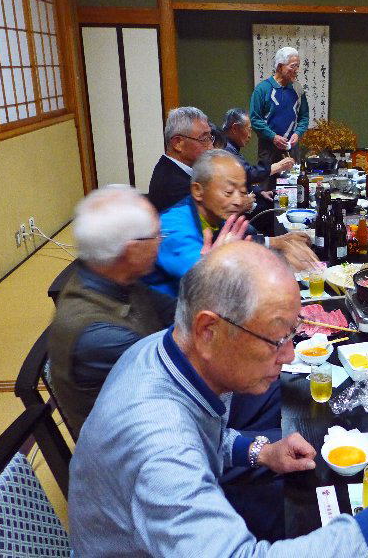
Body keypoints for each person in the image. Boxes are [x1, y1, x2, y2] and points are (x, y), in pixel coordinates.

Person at [69, 241, 368, 557]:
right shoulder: (159, 445)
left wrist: (259, 451)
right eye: (277, 339)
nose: (288, 355)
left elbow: (202, 435)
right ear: (209, 331)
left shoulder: (165, 350)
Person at [47, 185, 247, 440]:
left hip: (166, 406)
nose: (161, 241)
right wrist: (217, 275)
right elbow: (188, 370)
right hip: (148, 445)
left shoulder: (113, 278)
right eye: (156, 235)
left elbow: (180, 316)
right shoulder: (101, 336)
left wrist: (208, 274)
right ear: (131, 249)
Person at [145, 149, 318, 297]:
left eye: (242, 192)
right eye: (228, 192)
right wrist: (276, 263)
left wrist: (279, 242)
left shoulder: (212, 214)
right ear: (198, 190)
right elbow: (211, 281)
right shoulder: (174, 228)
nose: (238, 201)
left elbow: (237, 243)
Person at [250, 47, 309, 189]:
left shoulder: (298, 89)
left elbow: (304, 117)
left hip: (291, 148)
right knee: (267, 189)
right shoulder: (262, 89)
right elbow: (255, 119)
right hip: (268, 148)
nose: (296, 70)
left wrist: (297, 133)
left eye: (298, 66)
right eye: (293, 66)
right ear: (280, 66)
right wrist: (273, 137)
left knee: (293, 187)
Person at [148, 107, 214, 214]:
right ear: (178, 143)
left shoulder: (170, 168)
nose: (211, 147)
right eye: (204, 139)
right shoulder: (175, 186)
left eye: (210, 138)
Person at [224, 107, 295, 186]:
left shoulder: (229, 146)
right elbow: (247, 175)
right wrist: (279, 166)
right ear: (235, 128)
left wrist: (258, 191)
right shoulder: (225, 149)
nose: (249, 136)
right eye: (248, 129)